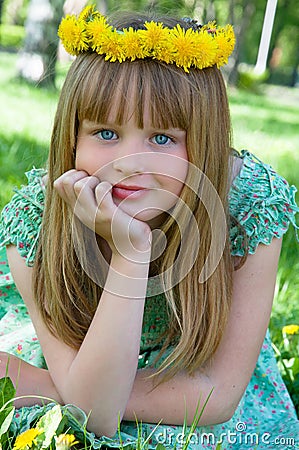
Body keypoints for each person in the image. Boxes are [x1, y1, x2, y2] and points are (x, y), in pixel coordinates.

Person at [0, 5, 298, 449]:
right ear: (71, 135)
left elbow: (214, 397)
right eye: (105, 133)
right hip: (84, 356)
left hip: (188, 392)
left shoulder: (248, 204)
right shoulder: (34, 224)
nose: (128, 163)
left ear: (205, 143)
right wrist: (129, 253)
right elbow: (95, 420)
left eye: (162, 139)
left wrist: (55, 388)